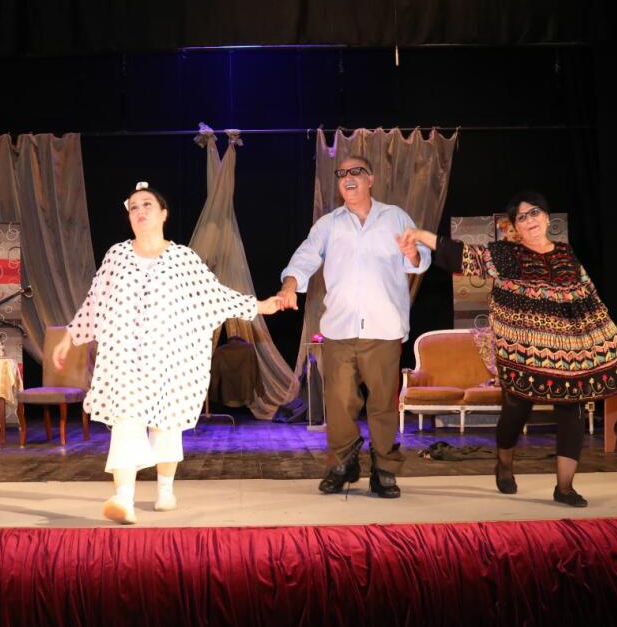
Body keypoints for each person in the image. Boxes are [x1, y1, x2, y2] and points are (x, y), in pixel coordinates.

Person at [52, 182, 284, 525]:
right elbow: (94, 302)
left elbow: (215, 296)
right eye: (133, 207)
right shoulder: (117, 256)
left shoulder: (182, 259)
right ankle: (123, 499)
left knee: (166, 423)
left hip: (170, 358)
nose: (140, 211)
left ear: (163, 213)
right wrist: (69, 336)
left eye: (147, 204)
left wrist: (259, 306)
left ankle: (165, 490)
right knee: (126, 421)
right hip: (124, 359)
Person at [399, 190, 617, 506]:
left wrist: (615, 334)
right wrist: (420, 235)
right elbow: (464, 255)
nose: (530, 220)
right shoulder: (509, 255)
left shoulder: (566, 254)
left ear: (547, 218)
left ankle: (565, 488)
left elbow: (589, 298)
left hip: (568, 355)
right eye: (522, 217)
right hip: (521, 353)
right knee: (515, 413)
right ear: (515, 227)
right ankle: (504, 463)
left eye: (534, 212)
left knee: (573, 411)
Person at [277, 155, 430, 499]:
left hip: (384, 327)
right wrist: (290, 285)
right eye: (342, 173)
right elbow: (305, 257)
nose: (348, 177)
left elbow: (421, 260)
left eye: (356, 171)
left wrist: (412, 254)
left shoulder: (395, 217)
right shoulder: (329, 224)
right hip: (340, 329)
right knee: (339, 402)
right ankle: (342, 464)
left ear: (370, 179)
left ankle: (384, 469)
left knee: (383, 404)